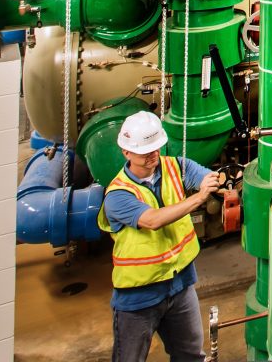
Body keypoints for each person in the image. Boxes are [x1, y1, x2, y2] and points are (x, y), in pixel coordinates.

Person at [96, 109, 226, 362]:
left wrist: (217, 180)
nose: (152, 157)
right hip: (139, 296)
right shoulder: (118, 195)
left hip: (181, 286)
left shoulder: (176, 166)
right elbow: (152, 220)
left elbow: (206, 177)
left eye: (155, 149)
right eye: (145, 153)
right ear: (126, 152)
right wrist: (199, 198)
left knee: (190, 356)